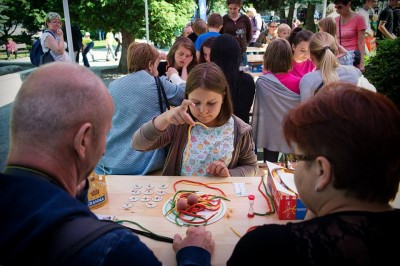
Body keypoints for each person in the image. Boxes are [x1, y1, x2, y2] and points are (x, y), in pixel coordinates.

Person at [0, 62, 214, 265]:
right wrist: (194, 256)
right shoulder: (116, 250)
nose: (103, 149)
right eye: (105, 135)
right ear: (83, 140)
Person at [228, 82, 400, 265]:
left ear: (322, 171)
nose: (294, 167)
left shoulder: (266, 248)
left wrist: (196, 253)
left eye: (299, 158)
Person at [133, 62, 258, 177]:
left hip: (219, 198)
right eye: (196, 102)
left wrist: (229, 174)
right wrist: (164, 117)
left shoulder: (239, 130)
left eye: (211, 103)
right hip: (181, 195)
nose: (203, 110)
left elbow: (251, 167)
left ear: (223, 98)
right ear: (187, 96)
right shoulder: (180, 123)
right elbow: (139, 144)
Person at [95, 42, 186, 175]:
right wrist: (173, 75)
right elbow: (185, 94)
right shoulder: (157, 83)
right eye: (155, 64)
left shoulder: (113, 85)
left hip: (113, 160)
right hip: (146, 163)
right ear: (150, 65)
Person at [251, 38, 301, 163]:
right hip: (293, 136)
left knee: (270, 166)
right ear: (290, 58)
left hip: (270, 136)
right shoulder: (300, 83)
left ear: (267, 58)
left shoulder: (262, 83)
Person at [300, 32, 376, 102]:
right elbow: (373, 93)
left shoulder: (308, 80)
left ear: (311, 55)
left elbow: (306, 113)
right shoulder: (353, 72)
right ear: (336, 52)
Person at [210, 34, 255, 124]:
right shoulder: (247, 81)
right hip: (241, 131)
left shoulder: (210, 80)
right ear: (237, 55)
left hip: (213, 131)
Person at [334, 0, 367, 71]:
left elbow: (361, 43)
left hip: (353, 59)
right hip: (340, 59)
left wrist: (362, 64)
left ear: (348, 4)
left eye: (340, 7)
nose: (337, 10)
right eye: (336, 7)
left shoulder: (359, 19)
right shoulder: (335, 20)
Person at [221, 0, 252, 66]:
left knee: (242, 74)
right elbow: (220, 35)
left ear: (239, 7)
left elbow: (249, 34)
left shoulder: (245, 19)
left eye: (234, 8)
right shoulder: (224, 19)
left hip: (241, 53)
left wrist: (244, 45)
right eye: (230, 8)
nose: (232, 11)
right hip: (227, 52)